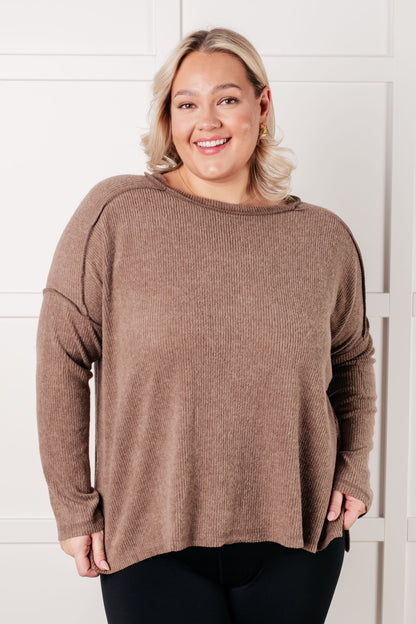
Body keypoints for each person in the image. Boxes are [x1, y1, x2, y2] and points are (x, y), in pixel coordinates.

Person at [36, 27, 377, 624]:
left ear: (262, 106)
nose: (207, 121)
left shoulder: (324, 238)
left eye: (227, 99)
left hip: (299, 537)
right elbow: (60, 357)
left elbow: (352, 359)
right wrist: (73, 505)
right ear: (168, 118)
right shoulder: (116, 215)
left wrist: (352, 466)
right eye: (186, 104)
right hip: (148, 537)